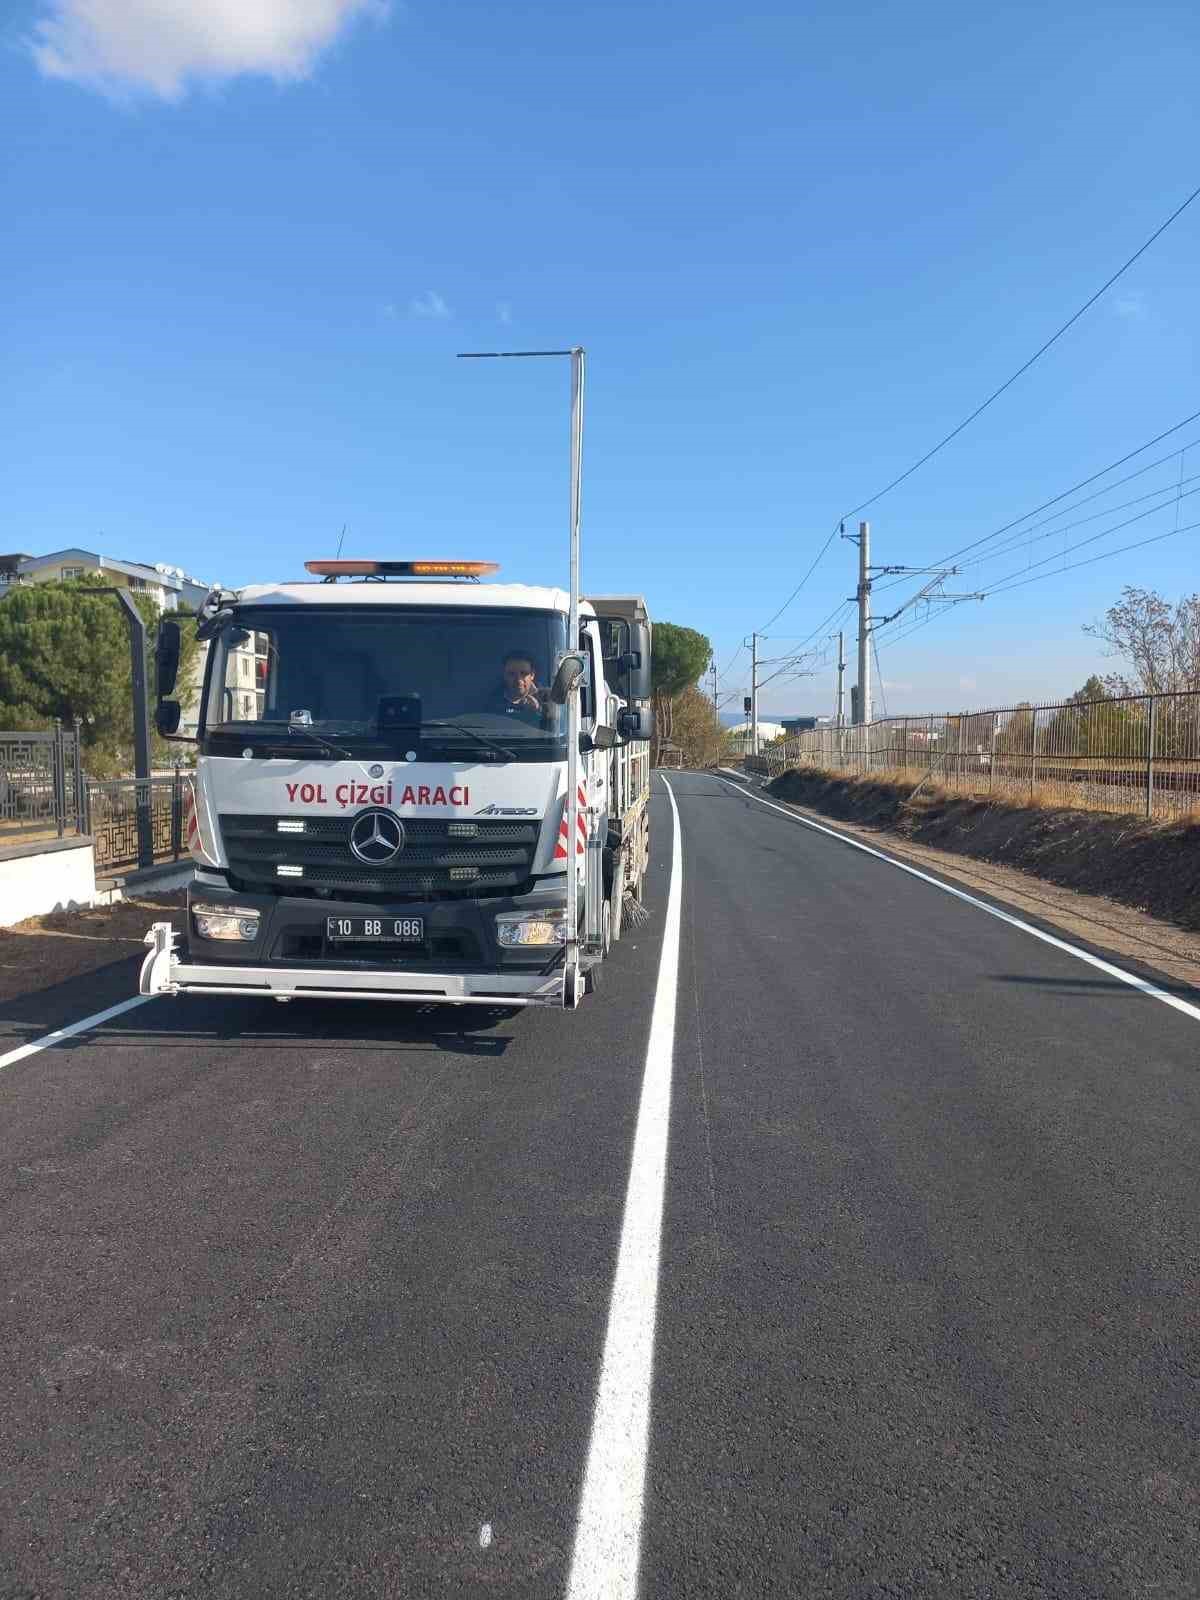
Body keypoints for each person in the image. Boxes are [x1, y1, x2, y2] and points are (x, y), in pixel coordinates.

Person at [492, 650, 546, 721]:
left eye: (523, 673)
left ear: (532, 675)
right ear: (504, 675)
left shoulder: (547, 699)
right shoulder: (493, 702)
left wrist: (538, 711)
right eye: (512, 674)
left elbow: (555, 724)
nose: (518, 680)